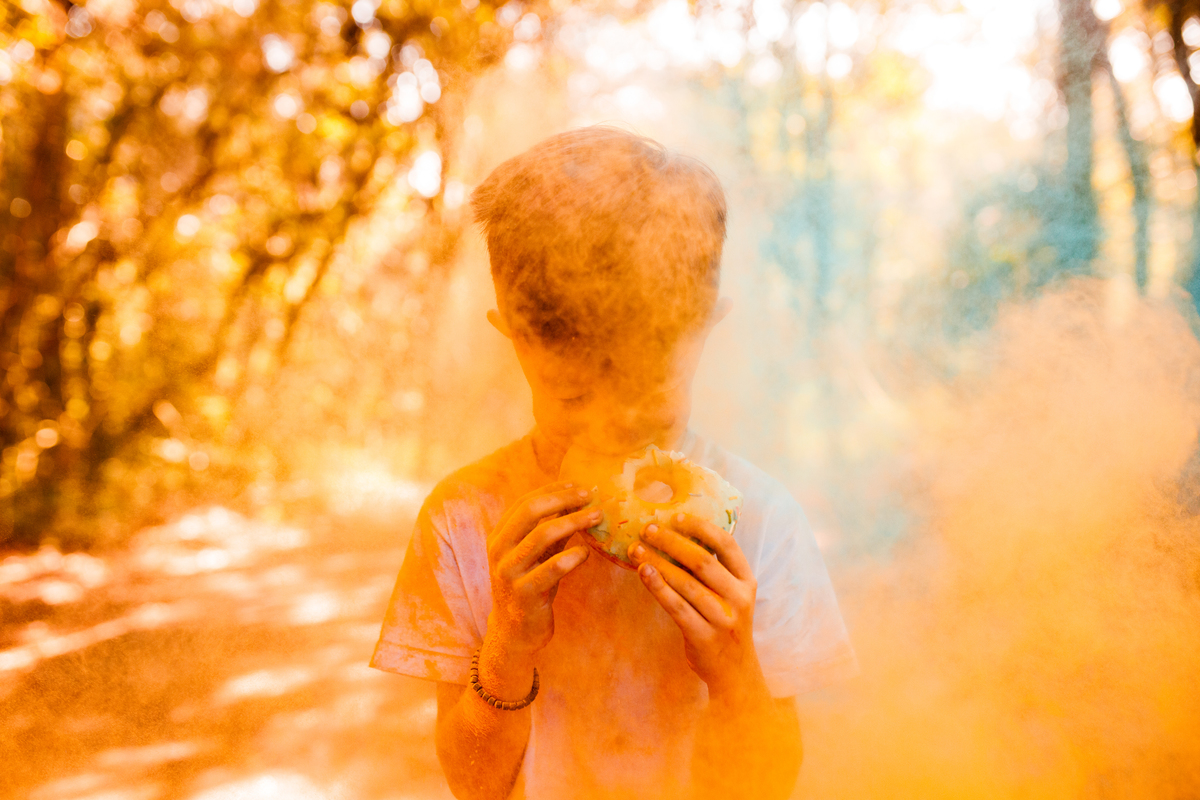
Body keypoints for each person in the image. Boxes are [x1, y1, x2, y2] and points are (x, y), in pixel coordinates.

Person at [371, 126, 857, 800]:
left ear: (708, 326)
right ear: (512, 335)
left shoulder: (760, 520)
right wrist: (508, 644)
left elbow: (769, 784)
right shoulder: (464, 518)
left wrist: (734, 670)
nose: (615, 424)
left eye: (648, 391)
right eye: (574, 395)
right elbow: (473, 785)